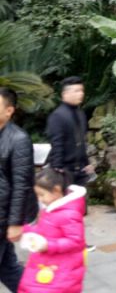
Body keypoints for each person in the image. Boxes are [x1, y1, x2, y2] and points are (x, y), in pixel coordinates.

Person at [18, 168, 86, 293]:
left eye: (42, 194)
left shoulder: (69, 214)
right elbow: (44, 230)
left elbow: (75, 241)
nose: (39, 199)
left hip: (62, 269)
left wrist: (48, 245)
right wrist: (26, 229)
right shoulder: (50, 209)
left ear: (56, 190)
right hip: (46, 263)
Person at [0, 87, 38, 293]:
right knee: (8, 269)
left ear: (9, 110)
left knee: (8, 268)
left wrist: (15, 223)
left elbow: (22, 184)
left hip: (4, 216)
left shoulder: (19, 139)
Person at [45, 77, 94, 188]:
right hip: (64, 171)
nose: (81, 94)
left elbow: (82, 142)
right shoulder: (57, 116)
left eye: (81, 91)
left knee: (81, 198)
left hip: (81, 171)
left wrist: (87, 163)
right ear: (65, 94)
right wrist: (57, 169)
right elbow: (57, 144)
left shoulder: (81, 114)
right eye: (76, 91)